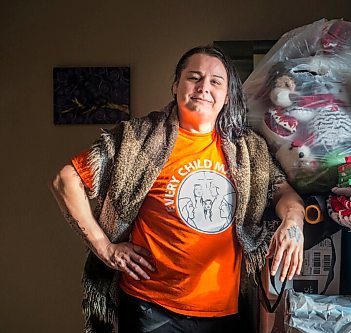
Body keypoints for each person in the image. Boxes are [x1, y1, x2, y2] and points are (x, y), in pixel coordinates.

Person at [50, 45, 305, 333]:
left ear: (227, 96)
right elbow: (65, 180)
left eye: (215, 81)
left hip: (225, 311)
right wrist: (105, 248)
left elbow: (284, 193)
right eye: (194, 77)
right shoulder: (138, 139)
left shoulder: (248, 150)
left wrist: (293, 224)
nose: (203, 87)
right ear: (176, 85)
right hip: (150, 308)